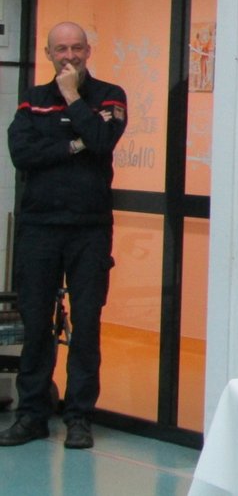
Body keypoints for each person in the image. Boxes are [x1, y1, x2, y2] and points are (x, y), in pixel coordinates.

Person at [1, 22, 127, 450]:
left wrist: (74, 99)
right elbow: (23, 156)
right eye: (61, 49)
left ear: (88, 51)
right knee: (36, 324)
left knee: (87, 324)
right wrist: (74, 146)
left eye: (76, 48)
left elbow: (102, 140)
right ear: (48, 53)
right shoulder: (32, 100)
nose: (68, 55)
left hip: (89, 230)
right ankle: (32, 415)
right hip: (39, 229)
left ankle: (78, 418)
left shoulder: (110, 96)